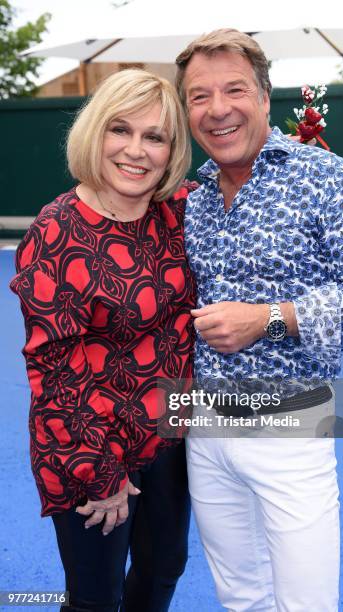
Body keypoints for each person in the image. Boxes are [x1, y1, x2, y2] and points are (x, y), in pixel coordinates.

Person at [175, 29, 343, 611]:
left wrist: (269, 319)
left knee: (307, 603)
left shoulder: (326, 177)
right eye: (199, 96)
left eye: (234, 90)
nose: (217, 109)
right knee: (241, 597)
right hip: (204, 428)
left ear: (266, 97)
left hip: (291, 430)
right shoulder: (191, 196)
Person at [10, 69, 195, 612]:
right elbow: (54, 369)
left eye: (155, 136)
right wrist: (99, 470)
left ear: (171, 150)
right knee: (95, 597)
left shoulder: (173, 215)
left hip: (166, 433)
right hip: (87, 443)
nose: (136, 150)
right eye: (121, 130)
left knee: (164, 570)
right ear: (96, 133)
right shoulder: (56, 231)